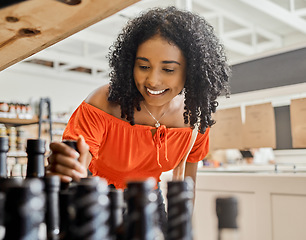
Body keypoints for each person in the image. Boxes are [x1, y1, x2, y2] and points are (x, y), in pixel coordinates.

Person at [46, 6, 230, 231]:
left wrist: (182, 230)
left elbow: (186, 185)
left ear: (191, 71)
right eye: (143, 66)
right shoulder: (104, 102)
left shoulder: (195, 118)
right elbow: (78, 159)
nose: (153, 80)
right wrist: (69, 164)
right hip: (97, 199)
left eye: (168, 69)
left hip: (149, 201)